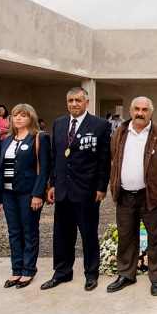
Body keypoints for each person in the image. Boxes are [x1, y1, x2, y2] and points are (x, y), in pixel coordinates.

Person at [41, 87, 111, 292]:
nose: (74, 104)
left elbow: (104, 159)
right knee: (62, 234)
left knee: (88, 234)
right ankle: (62, 271)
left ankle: (91, 273)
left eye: (78, 100)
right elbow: (56, 157)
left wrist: (101, 186)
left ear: (87, 103)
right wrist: (53, 183)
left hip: (86, 190)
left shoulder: (100, 125)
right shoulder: (59, 123)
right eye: (70, 100)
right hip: (63, 189)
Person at [107, 97, 157, 296]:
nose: (140, 113)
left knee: (156, 238)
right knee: (126, 237)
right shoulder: (120, 132)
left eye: (144, 110)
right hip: (125, 195)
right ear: (130, 111)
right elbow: (114, 156)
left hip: (151, 196)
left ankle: (156, 278)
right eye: (137, 109)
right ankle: (126, 275)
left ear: (150, 112)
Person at [0, 104, 50, 289]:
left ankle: (28, 270)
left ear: (30, 118)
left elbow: (44, 169)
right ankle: (16, 269)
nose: (18, 119)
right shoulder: (7, 140)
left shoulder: (39, 138)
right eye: (15, 115)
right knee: (14, 232)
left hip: (28, 193)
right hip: (8, 193)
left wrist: (37, 194)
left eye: (23, 116)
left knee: (29, 231)